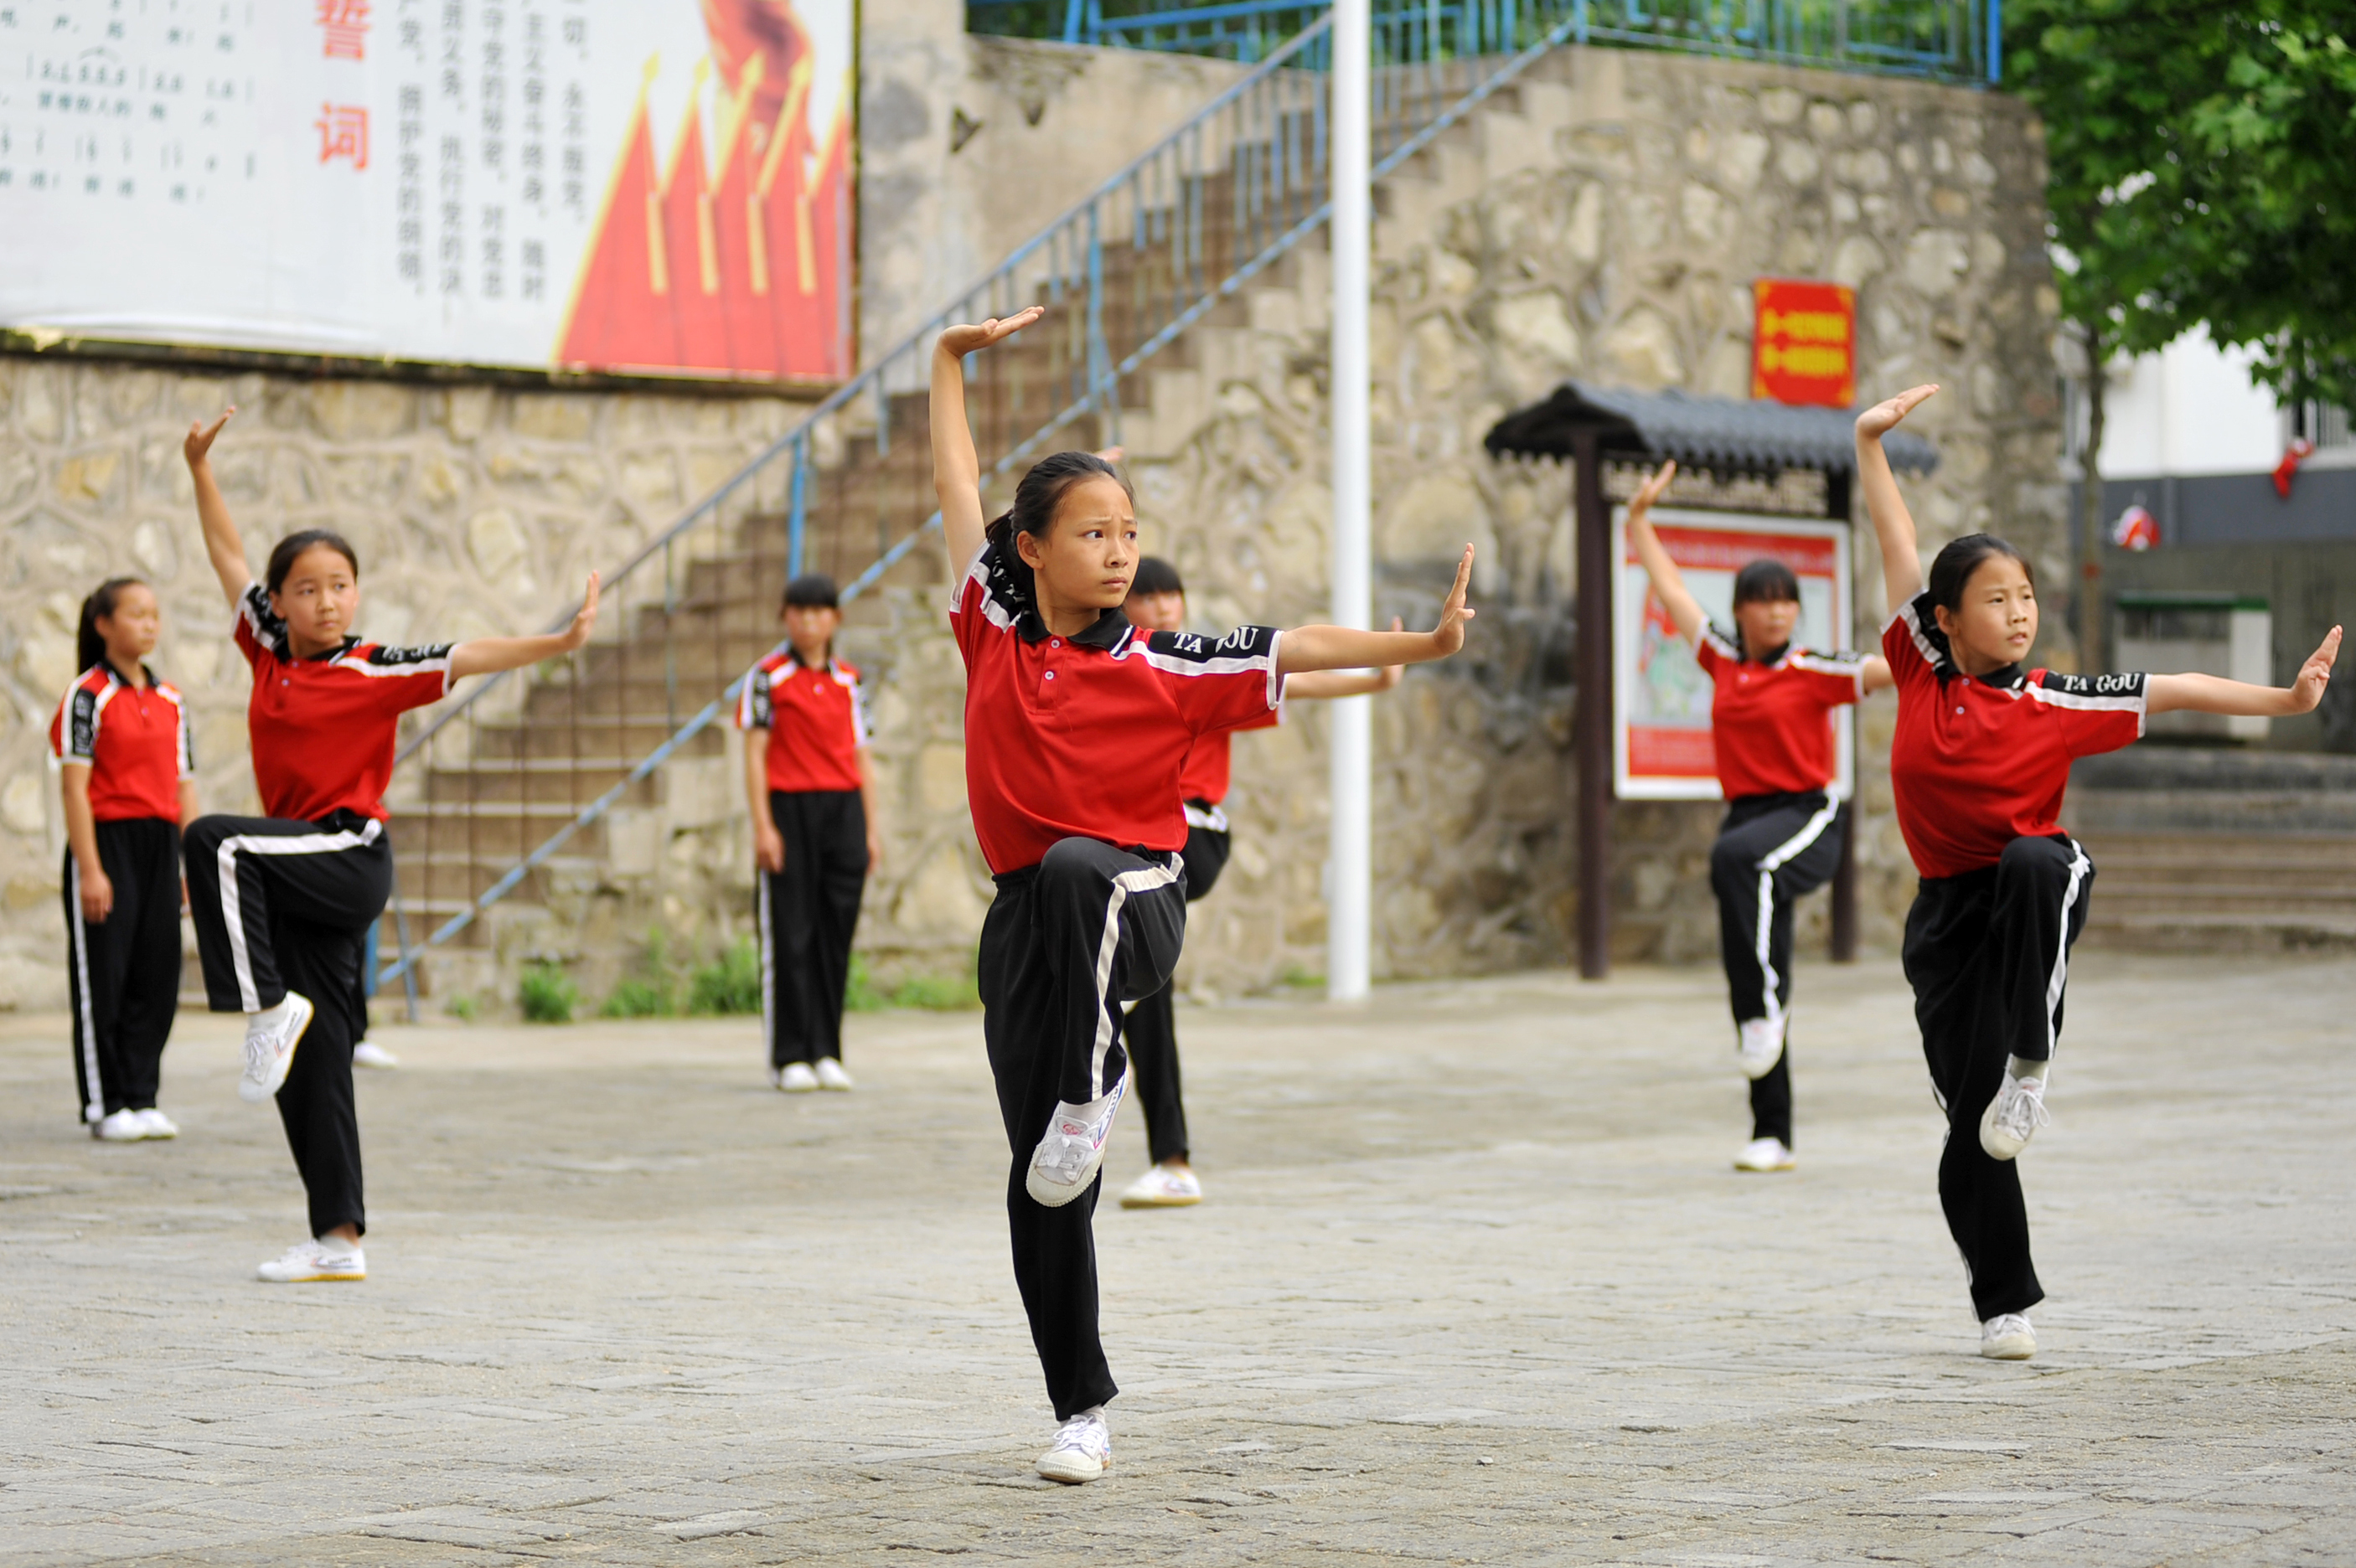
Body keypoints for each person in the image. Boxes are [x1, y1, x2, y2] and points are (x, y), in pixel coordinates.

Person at [933, 306, 1476, 1484]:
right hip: (1027, 924)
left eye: (1130, 532)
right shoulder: (989, 627)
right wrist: (944, 368)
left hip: (1139, 891)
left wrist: (1422, 647)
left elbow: (1291, 646)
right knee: (1039, 1180)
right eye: (1093, 533)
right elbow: (956, 479)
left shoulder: (1168, 663)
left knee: (1086, 870)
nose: (1121, 551)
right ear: (1028, 548)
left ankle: (1102, 1083)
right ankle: (1079, 1408)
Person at [1857, 384, 2340, 1361]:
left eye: (2026, 595)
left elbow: (2182, 686)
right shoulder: (1918, 662)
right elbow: (1896, 544)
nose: (2019, 612)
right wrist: (1868, 444)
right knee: (1967, 1133)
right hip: (1946, 924)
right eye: (1996, 600)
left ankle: (2031, 1066)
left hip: (2031, 891)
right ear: (1946, 619)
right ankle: (2002, 1304)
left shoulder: (2055, 698)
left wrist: (2287, 702)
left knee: (2042, 857)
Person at [180, 408, 600, 1285]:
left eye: (340, 585)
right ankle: (338, 1240)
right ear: (281, 599)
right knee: (315, 1063)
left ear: (356, 594)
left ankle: (262, 1009)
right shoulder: (266, 647)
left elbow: (468, 653)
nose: (326, 601)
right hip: (297, 870)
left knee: (215, 843)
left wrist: (558, 641)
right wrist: (199, 469)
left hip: (347, 853)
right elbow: (226, 555)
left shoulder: (374, 667)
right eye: (307, 587)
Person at [1623, 462, 1892, 1174]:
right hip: (1748, 820)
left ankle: (1758, 1015)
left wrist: (1959, 650)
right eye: (1763, 601)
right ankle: (1773, 1132)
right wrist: (1637, 522)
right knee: (1762, 950)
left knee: (1735, 868)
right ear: (1740, 608)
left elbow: (1890, 671)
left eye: (1787, 601)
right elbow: (1671, 589)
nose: (1776, 612)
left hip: (1810, 818)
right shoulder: (1720, 658)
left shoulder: (1813, 668)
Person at [1115, 555, 1403, 1209]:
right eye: (1147, 596)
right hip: (1131, 845)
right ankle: (1172, 1161)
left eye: (1171, 595)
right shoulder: (1113, 668)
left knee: (1132, 946)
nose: (1162, 607)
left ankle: (1163, 1140)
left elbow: (1293, 675)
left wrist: (1375, 683)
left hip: (1193, 835)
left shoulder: (1201, 672)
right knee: (1145, 983)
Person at [52, 577, 199, 1143]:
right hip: (107, 842)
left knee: (158, 975)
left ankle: (143, 1096)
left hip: (161, 845)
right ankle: (105, 1101)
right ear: (104, 624)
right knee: (104, 977)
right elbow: (74, 789)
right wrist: (90, 869)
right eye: (135, 614)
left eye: (154, 614)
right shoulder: (85, 696)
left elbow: (185, 789)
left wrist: (192, 864)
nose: (149, 624)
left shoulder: (173, 701)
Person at [737, 571, 883, 1093]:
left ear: (835, 619)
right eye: (798, 611)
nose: (808, 621)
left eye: (819, 611)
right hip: (790, 811)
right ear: (784, 618)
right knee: (790, 933)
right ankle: (790, 1054)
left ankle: (827, 1049)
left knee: (833, 935)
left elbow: (862, 756)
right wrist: (763, 825)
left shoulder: (850, 680)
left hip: (843, 812)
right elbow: (754, 756)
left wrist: (870, 827)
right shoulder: (766, 677)